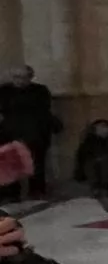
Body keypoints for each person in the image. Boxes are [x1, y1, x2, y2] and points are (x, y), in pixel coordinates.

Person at [0, 67, 61, 200]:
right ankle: (12, 193)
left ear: (31, 77)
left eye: (24, 77)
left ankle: (36, 191)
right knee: (11, 162)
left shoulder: (40, 90)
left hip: (35, 131)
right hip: (11, 132)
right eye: (16, 77)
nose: (20, 80)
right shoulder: (4, 91)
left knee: (36, 163)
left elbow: (43, 110)